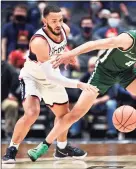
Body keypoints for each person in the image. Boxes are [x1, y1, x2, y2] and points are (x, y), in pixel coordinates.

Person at [28, 14, 136, 162]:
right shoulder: (127, 39)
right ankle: (43, 145)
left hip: (126, 72)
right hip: (103, 73)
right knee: (75, 114)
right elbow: (95, 44)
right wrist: (71, 54)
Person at [2, 5, 98, 164]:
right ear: (44, 21)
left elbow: (61, 47)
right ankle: (12, 149)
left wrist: (67, 54)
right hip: (33, 77)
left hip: (52, 75)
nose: (58, 24)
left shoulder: (64, 29)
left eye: (60, 20)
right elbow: (50, 76)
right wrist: (78, 84)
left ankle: (62, 148)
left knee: (63, 115)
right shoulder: (39, 41)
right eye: (54, 21)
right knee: (32, 113)